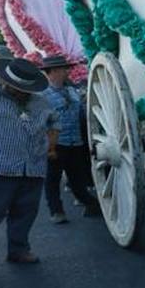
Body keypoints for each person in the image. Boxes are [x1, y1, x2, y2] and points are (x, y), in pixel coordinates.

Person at [0, 50, 56, 277]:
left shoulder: (41, 103)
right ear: (6, 81)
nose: (19, 91)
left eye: (24, 89)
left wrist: (51, 146)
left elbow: (54, 122)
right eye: (16, 86)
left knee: (25, 212)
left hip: (32, 167)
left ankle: (18, 250)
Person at [40, 54, 99, 222]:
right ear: (53, 72)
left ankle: (91, 204)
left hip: (76, 142)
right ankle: (56, 212)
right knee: (53, 179)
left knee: (77, 180)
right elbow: (39, 121)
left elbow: (82, 114)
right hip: (56, 143)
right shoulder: (42, 96)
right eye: (64, 69)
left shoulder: (73, 91)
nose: (68, 72)